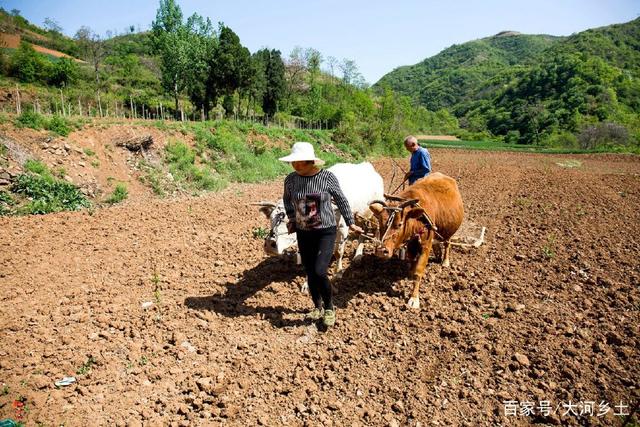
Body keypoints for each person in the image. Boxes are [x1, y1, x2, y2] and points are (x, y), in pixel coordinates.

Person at [279, 142, 363, 327]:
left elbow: (341, 199)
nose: (294, 165)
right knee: (310, 272)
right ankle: (317, 306)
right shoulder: (291, 180)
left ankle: (329, 308)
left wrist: (351, 222)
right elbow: (287, 200)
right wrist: (292, 219)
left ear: (310, 161)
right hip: (303, 232)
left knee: (319, 270)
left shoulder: (326, 177)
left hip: (325, 231)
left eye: (298, 162)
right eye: (293, 162)